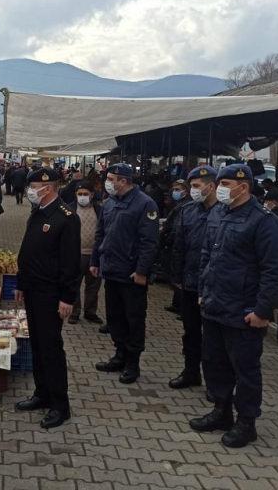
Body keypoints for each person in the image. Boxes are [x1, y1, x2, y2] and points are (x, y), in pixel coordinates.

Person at [190, 163, 278, 448]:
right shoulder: (218, 213)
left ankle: (247, 422)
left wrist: (263, 311)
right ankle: (222, 411)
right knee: (215, 363)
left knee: (245, 369)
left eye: (226, 184)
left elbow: (274, 270)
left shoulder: (264, 221)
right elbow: (207, 253)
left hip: (244, 311)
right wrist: (203, 289)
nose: (220, 189)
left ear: (243, 187)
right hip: (215, 304)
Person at [15, 167, 81, 429]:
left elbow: (71, 263)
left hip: (51, 294)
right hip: (32, 289)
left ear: (48, 188)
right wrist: (21, 283)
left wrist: (68, 297)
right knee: (38, 347)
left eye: (34, 187)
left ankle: (60, 405)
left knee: (51, 349)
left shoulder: (66, 218)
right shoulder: (38, 213)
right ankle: (41, 394)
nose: (30, 191)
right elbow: (27, 251)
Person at [91, 163, 159, 384]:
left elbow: (149, 242)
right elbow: (100, 234)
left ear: (123, 180)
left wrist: (141, 271)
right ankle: (119, 355)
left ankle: (132, 363)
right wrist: (95, 261)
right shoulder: (110, 203)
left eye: (111, 179)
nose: (107, 182)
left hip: (131, 274)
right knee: (115, 318)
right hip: (111, 270)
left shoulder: (145, 204)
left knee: (134, 319)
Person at [169, 166, 218, 390]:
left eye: (197, 186)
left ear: (211, 186)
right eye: (191, 187)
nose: (192, 191)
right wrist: (176, 276)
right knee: (190, 333)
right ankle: (190, 372)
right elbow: (178, 245)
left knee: (213, 338)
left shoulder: (224, 211)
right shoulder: (188, 210)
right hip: (189, 283)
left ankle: (214, 382)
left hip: (213, 287)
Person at [66, 182, 103, 325]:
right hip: (76, 254)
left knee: (93, 286)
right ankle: (74, 312)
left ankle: (90, 312)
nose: (82, 197)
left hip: (95, 254)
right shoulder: (69, 209)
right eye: (79, 194)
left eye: (85, 194)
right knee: (74, 284)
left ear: (92, 195)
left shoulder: (99, 210)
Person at [162, 179, 192, 312]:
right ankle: (177, 304)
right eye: (174, 189)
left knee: (179, 277)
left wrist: (168, 239)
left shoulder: (186, 206)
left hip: (176, 245)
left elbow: (177, 227)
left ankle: (182, 307)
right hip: (174, 245)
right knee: (175, 276)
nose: (175, 192)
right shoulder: (179, 204)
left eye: (178, 189)